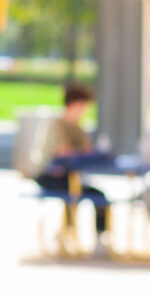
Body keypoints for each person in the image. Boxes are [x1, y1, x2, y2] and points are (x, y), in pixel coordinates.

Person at [36, 83, 113, 249]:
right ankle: (64, 233)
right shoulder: (57, 124)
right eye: (84, 106)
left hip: (70, 176)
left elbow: (87, 150)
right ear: (75, 104)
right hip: (48, 176)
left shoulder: (77, 127)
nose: (85, 110)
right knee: (73, 192)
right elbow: (63, 152)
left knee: (99, 196)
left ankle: (99, 238)